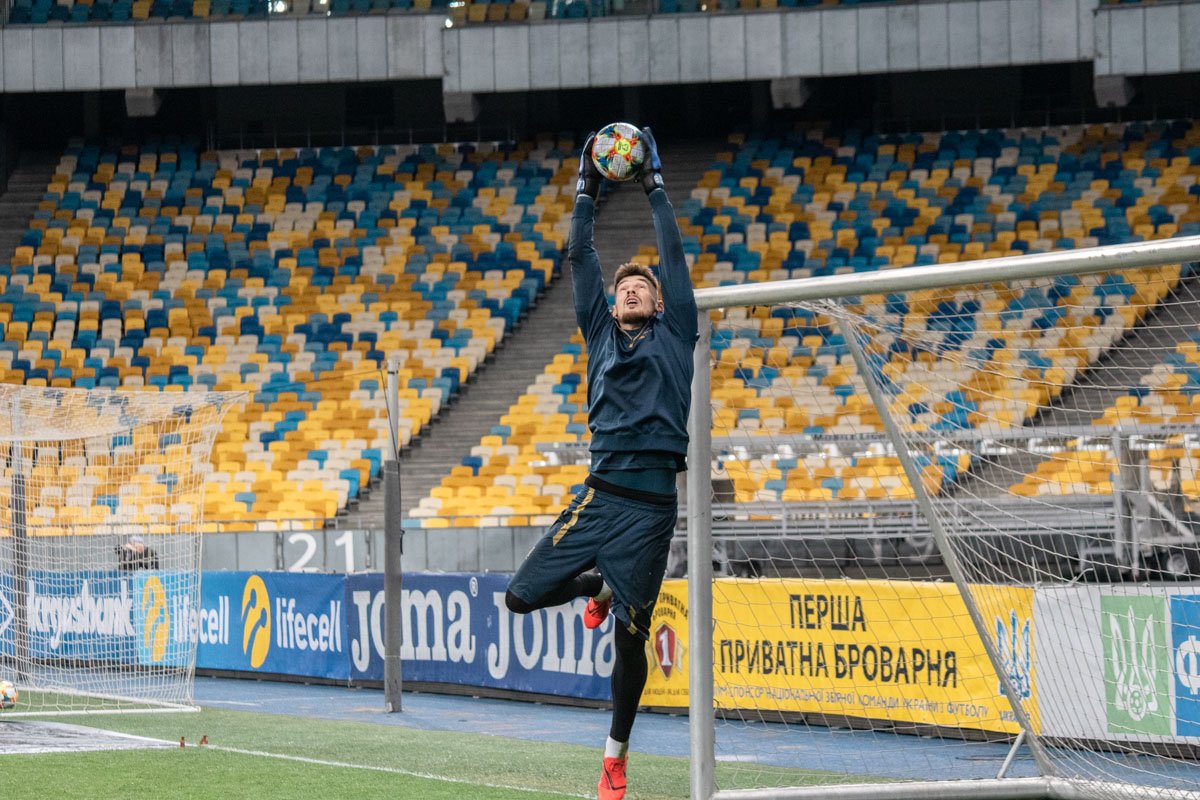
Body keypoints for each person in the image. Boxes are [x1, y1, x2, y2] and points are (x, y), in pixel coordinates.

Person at [504, 126, 696, 800]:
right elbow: (580, 255)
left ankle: (614, 759)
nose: (634, 289)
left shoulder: (679, 331)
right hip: (601, 494)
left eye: (643, 286)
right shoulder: (599, 333)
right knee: (518, 596)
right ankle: (595, 586)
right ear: (612, 306)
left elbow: (671, 254)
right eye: (625, 288)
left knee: (630, 643)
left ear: (660, 301)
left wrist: (655, 187)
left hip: (651, 510)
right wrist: (585, 187)